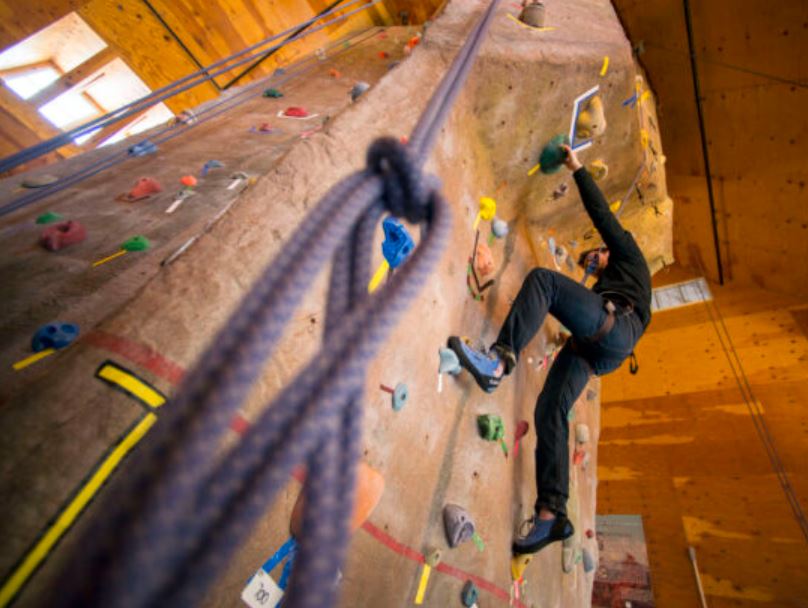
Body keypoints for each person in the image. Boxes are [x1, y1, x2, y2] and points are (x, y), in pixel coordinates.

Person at [447, 145, 652, 555]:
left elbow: (603, 217)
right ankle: (551, 514)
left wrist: (577, 168)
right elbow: (587, 309)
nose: (596, 259)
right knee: (549, 411)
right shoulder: (615, 282)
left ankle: (498, 362)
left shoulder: (630, 257)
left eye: (599, 255)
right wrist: (593, 275)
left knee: (545, 281)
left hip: (615, 330)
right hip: (601, 350)